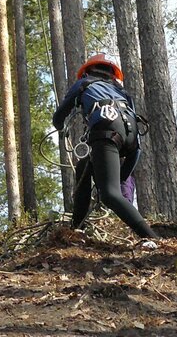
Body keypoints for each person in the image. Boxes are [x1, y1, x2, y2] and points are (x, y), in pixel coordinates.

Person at [53, 53, 157, 241]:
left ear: (88, 71)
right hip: (130, 139)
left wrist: (60, 127)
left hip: (106, 132)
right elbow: (135, 138)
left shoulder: (84, 84)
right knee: (84, 167)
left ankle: (152, 238)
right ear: (112, 75)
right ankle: (78, 227)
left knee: (110, 194)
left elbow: (59, 116)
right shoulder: (123, 94)